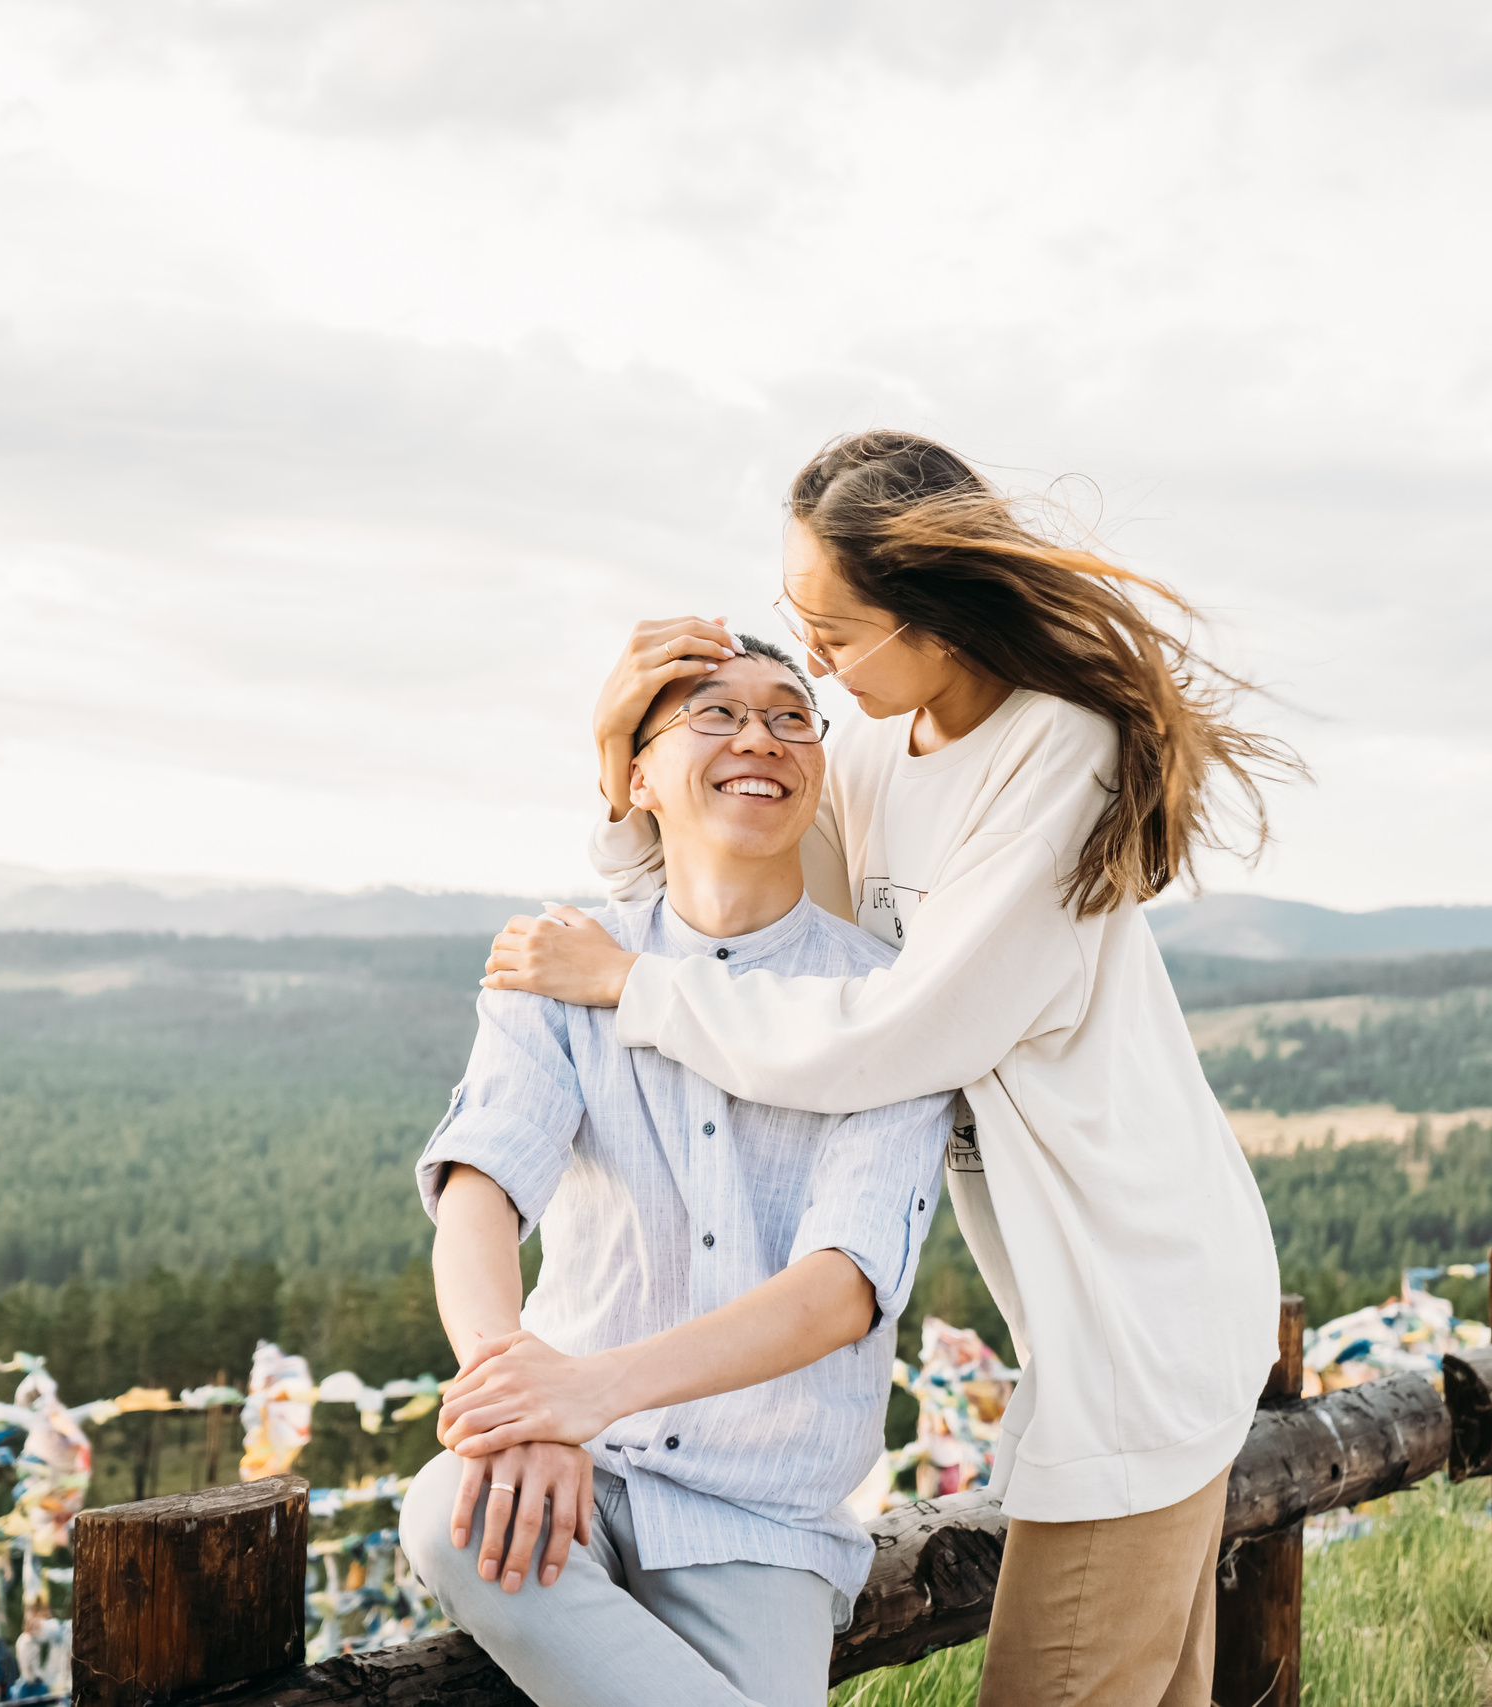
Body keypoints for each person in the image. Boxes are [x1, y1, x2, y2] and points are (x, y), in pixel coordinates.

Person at [480, 430, 1296, 1707]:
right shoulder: (872, 745)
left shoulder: (1057, 754)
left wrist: (630, 983)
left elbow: (887, 1036)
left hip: (1138, 1304)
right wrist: (618, 769)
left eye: (839, 635)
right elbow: (750, 937)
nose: (815, 664)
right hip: (1079, 1304)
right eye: (798, 624)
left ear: (940, 615)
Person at [400, 641, 954, 1707]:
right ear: (637, 780)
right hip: (571, 1465)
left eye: (793, 717)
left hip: (761, 1514)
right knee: (448, 1515)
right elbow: (480, 1192)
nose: (760, 736)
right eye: (715, 714)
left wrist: (579, 1392)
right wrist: (520, 1395)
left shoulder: (888, 1005)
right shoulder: (555, 963)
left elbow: (842, 1286)